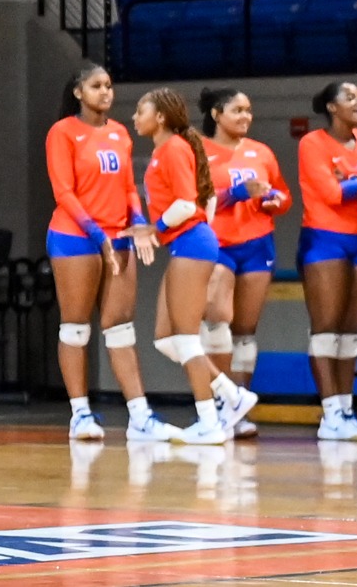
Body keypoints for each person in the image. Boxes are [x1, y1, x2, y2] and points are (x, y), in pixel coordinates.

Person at [45, 63, 179, 442]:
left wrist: (138, 221)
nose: (105, 92)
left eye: (108, 86)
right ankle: (80, 414)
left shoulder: (120, 133)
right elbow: (63, 192)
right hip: (76, 237)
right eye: (96, 86)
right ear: (78, 92)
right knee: (75, 328)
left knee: (120, 328)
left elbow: (127, 188)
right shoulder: (63, 132)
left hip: (118, 236)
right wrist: (95, 233)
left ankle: (140, 416)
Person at [140, 88, 260, 444]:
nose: (135, 117)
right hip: (189, 243)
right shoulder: (172, 149)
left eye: (140, 110)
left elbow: (186, 202)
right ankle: (232, 394)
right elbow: (206, 198)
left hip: (191, 243)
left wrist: (156, 229)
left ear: (160, 116)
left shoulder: (173, 148)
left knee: (186, 337)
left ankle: (210, 420)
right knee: (165, 338)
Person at [298, 80, 357, 441]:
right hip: (324, 240)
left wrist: (355, 184)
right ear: (331, 108)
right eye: (349, 97)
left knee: (351, 333)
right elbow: (329, 193)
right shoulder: (313, 143)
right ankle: (330, 414)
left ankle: (345, 410)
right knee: (326, 329)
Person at [198, 86, 289, 437]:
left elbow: (282, 194)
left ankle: (239, 406)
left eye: (249, 110)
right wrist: (237, 193)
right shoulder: (200, 152)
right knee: (217, 322)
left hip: (256, 243)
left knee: (246, 331)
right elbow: (197, 202)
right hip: (218, 244)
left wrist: (275, 201)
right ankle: (217, 402)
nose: (246, 117)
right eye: (237, 110)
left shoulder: (261, 152)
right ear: (216, 115)